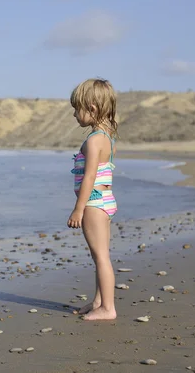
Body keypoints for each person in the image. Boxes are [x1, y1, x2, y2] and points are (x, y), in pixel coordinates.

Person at [67, 78, 119, 321]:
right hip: (105, 201)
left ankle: (108, 308)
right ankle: (98, 301)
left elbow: (89, 177)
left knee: (101, 257)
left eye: (77, 109)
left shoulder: (94, 140)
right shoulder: (106, 137)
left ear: (92, 109)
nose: (75, 115)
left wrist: (78, 209)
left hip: (94, 203)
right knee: (100, 255)